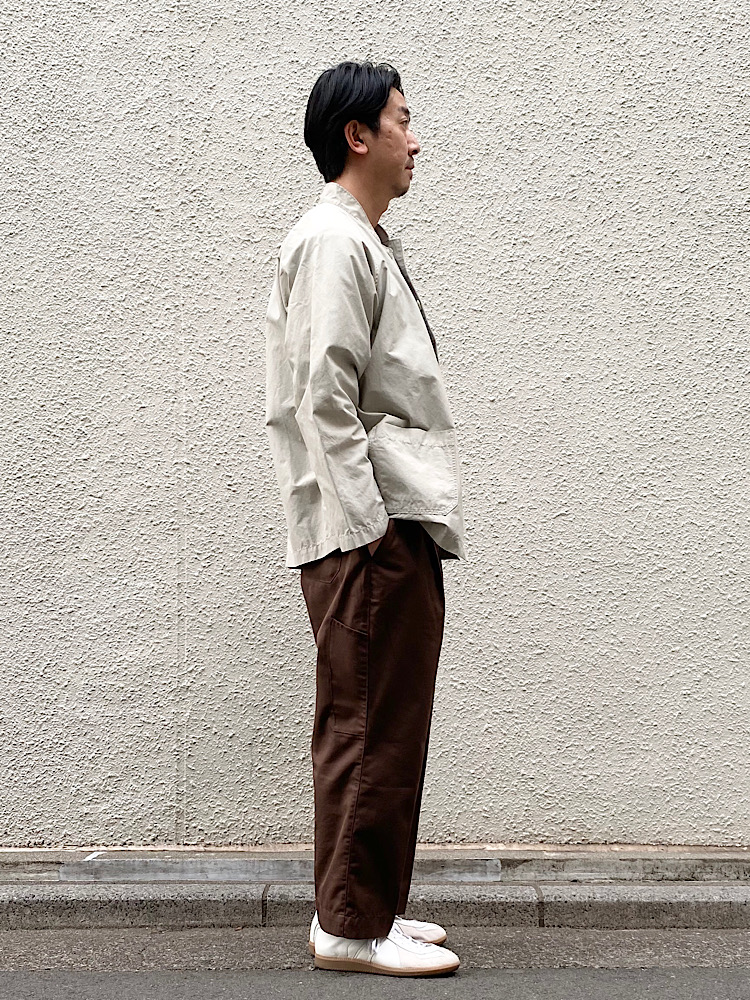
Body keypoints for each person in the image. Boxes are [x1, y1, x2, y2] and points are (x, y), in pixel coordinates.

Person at [264, 59, 467, 977]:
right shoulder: (333, 241)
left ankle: (362, 905)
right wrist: (368, 527)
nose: (415, 140)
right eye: (401, 120)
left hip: (387, 521)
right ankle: (351, 926)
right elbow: (325, 396)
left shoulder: (362, 240)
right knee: (366, 724)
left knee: (386, 719)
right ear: (358, 134)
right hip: (369, 529)